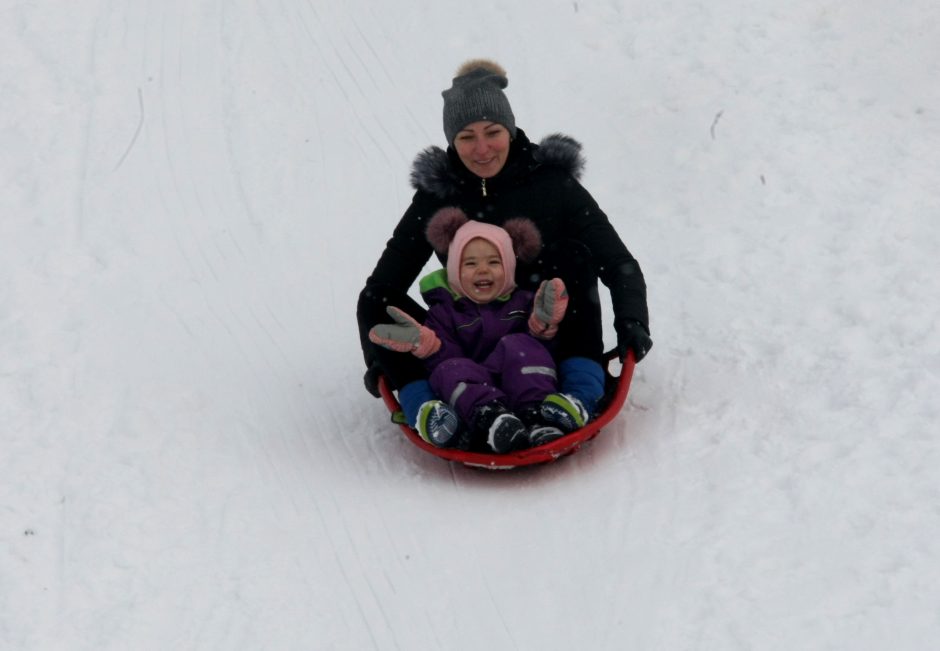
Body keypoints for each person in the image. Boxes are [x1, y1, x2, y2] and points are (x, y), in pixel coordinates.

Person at [357, 58, 652, 442]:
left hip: (546, 337)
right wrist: (384, 361)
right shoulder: (438, 195)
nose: (481, 149)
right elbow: (383, 285)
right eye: (466, 137)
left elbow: (617, 261)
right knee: (378, 299)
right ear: (451, 141)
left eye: (492, 132)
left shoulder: (551, 183)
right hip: (467, 341)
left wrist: (632, 323)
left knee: (573, 256)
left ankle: (577, 392)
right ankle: (430, 408)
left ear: (510, 130)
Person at [368, 209, 584, 453]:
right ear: (455, 273)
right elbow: (444, 358)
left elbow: (544, 350)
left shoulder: (524, 301)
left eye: (494, 262)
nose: (483, 270)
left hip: (523, 388)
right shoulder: (444, 312)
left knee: (523, 347)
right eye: (470, 263)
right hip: (476, 391)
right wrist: (427, 344)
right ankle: (493, 421)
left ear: (509, 267)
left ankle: (539, 420)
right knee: (449, 369)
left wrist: (542, 326)